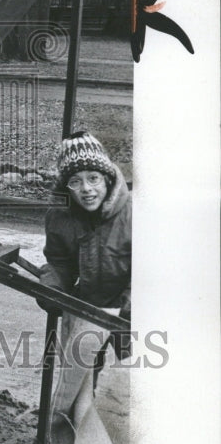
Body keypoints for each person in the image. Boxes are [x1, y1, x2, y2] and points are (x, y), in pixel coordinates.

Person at [38, 131, 132, 348]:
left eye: (93, 178)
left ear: (107, 179)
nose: (86, 189)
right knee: (78, 372)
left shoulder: (134, 214)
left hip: (129, 313)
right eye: (75, 181)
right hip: (88, 306)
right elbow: (59, 262)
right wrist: (53, 288)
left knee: (130, 373)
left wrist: (127, 307)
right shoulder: (60, 216)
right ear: (66, 188)